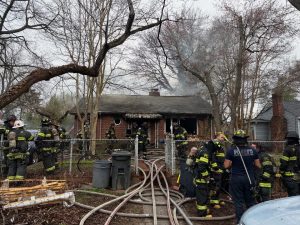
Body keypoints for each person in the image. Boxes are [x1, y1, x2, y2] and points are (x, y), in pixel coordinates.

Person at [224, 129, 261, 224]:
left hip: (236, 179)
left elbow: (226, 166)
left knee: (239, 202)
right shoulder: (253, 150)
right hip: (249, 178)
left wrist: (233, 163)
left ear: (235, 139)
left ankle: (240, 222)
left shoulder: (231, 151)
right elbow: (258, 165)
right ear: (245, 139)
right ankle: (252, 221)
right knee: (250, 201)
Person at [187, 145, 212, 217]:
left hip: (198, 178)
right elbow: (201, 167)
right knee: (202, 197)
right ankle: (202, 214)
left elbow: (192, 164)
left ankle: (204, 211)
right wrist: (207, 176)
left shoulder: (199, 153)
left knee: (202, 196)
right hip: (201, 180)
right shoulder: (204, 153)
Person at [205, 132, 227, 209]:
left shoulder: (220, 146)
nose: (223, 139)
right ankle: (213, 201)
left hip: (220, 168)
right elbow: (211, 157)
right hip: (216, 170)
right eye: (221, 137)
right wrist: (216, 168)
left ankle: (216, 199)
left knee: (219, 185)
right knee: (215, 185)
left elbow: (222, 158)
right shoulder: (213, 145)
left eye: (223, 138)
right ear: (216, 137)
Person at [279, 131, 299, 196]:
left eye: (287, 139)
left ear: (290, 139)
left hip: (290, 178)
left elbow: (283, 164)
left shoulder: (287, 149)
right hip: (298, 176)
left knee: (292, 197)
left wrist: (281, 171)